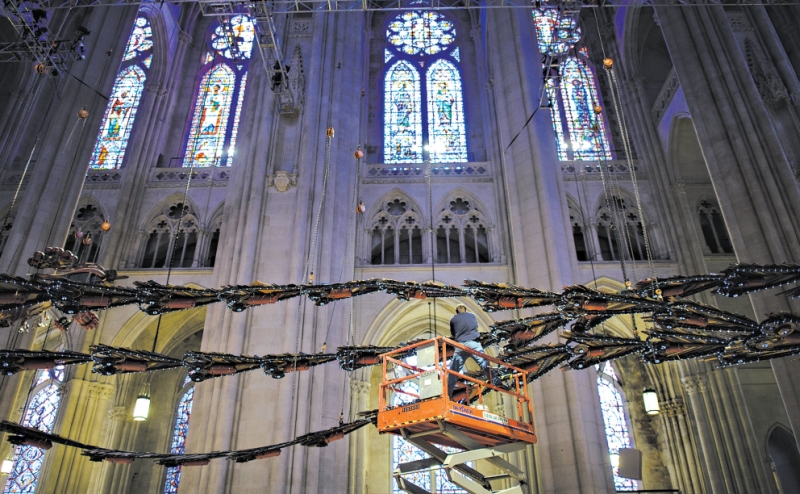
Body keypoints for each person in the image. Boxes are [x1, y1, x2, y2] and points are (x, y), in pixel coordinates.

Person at [447, 304, 500, 399]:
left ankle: (447, 394)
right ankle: (496, 383)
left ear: (457, 312)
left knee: (453, 371)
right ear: (466, 310)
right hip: (474, 344)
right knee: (485, 364)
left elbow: (453, 333)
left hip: (461, 345)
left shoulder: (453, 319)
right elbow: (475, 326)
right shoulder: (472, 316)